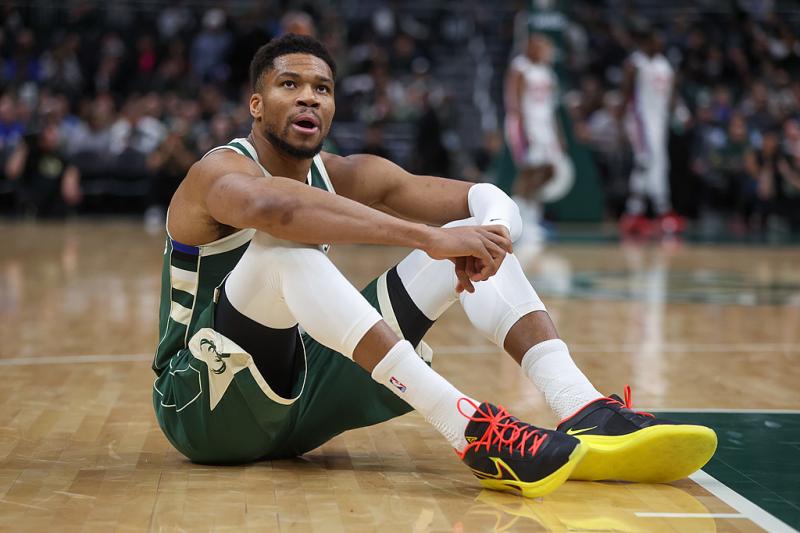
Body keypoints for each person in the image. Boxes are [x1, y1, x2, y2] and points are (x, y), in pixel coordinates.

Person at [152, 34, 716, 498]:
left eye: (322, 88)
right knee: (283, 250)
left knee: (468, 236)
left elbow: (483, 198)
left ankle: (581, 405)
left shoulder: (340, 171)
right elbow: (276, 210)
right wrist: (425, 237)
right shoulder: (218, 172)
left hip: (300, 400)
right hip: (203, 408)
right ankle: (469, 428)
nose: (309, 99)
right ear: (256, 104)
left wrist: (488, 235)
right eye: (289, 85)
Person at [619, 30, 684, 236]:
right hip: (641, 121)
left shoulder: (665, 65)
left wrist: (680, 113)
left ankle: (657, 211)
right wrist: (620, 121)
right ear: (646, 42)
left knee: (660, 165)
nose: (659, 44)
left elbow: (671, 95)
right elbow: (625, 92)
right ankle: (635, 213)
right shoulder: (635, 63)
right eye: (655, 41)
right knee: (645, 162)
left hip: (659, 122)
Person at [504, 34, 567, 243]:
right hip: (526, 125)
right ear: (531, 48)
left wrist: (558, 134)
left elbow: (552, 107)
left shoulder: (548, 72)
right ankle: (520, 218)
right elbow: (513, 101)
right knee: (529, 172)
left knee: (548, 170)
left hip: (545, 126)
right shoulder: (520, 67)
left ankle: (531, 216)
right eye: (544, 48)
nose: (548, 53)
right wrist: (523, 130)